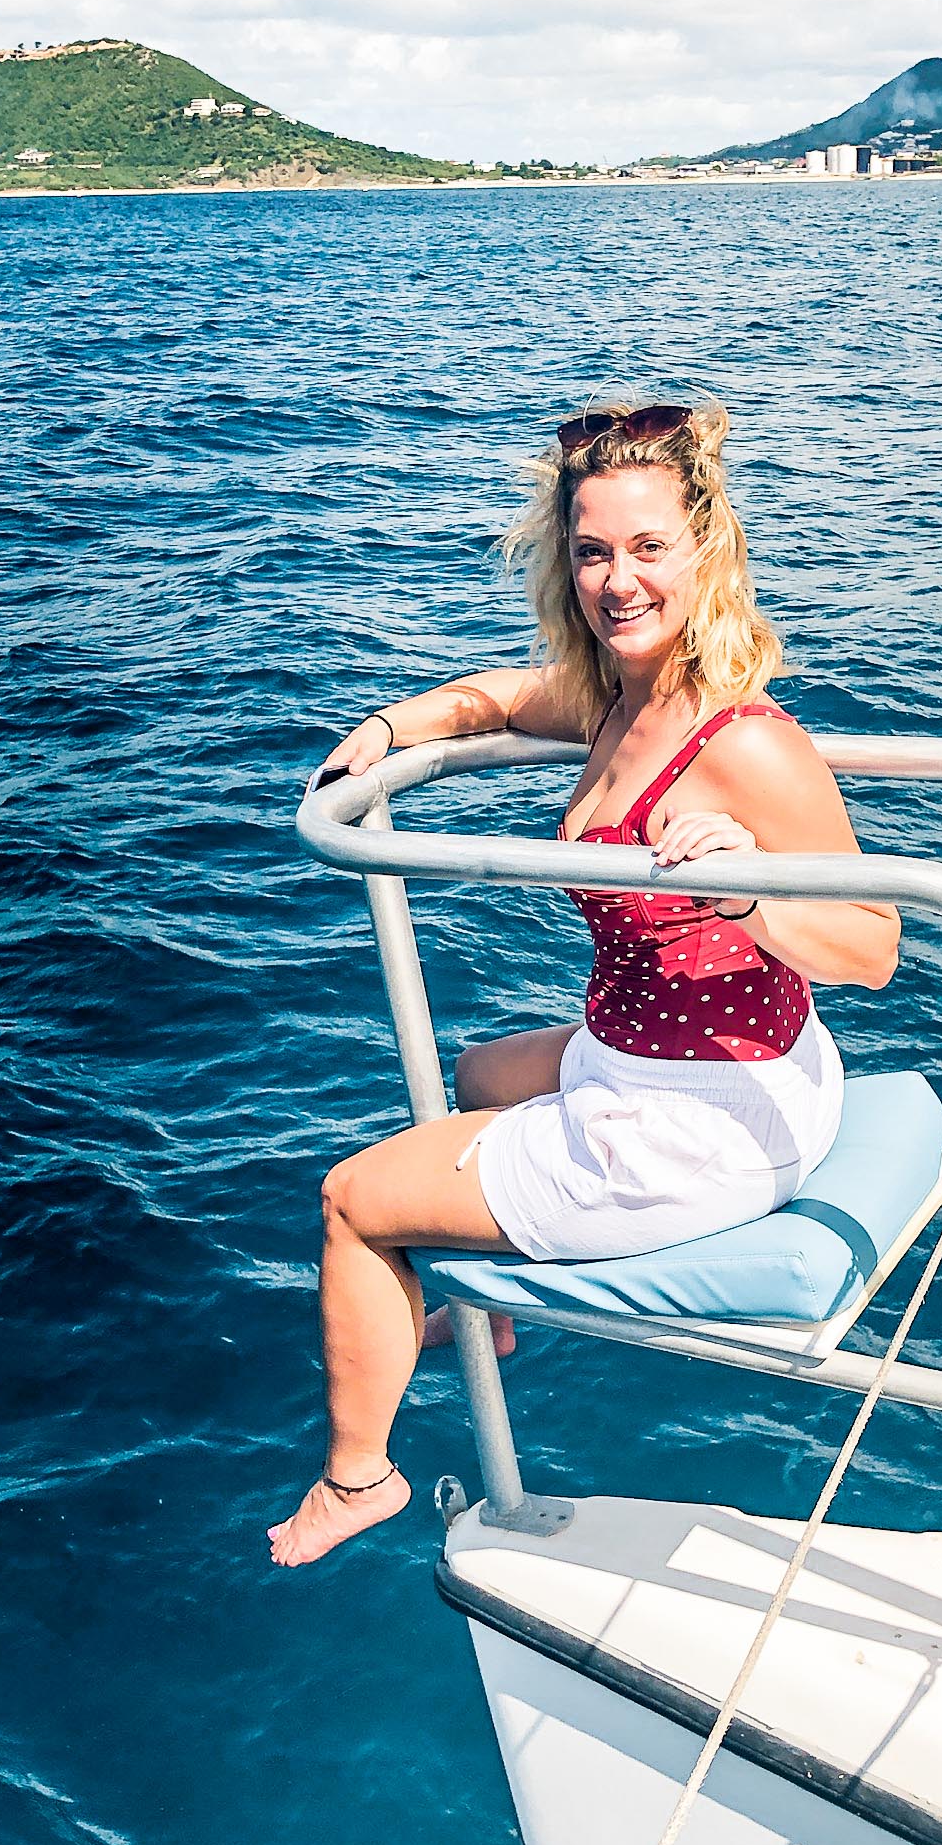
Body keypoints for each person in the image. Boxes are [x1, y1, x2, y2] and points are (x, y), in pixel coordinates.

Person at [268, 400, 900, 1567]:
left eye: (648, 548)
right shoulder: (621, 694)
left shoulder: (742, 739)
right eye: (594, 550)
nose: (620, 579)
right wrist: (391, 723)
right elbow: (501, 698)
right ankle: (493, 1311)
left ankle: (359, 1475)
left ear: (704, 550)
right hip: (671, 1049)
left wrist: (751, 897)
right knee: (476, 1072)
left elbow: (874, 943)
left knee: (353, 1200)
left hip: (696, 1121)